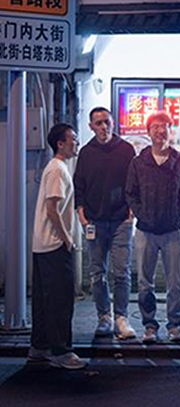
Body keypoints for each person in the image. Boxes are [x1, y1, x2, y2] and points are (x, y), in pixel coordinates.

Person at [126, 111, 180, 343]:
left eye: (164, 126)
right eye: (155, 127)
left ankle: (174, 325)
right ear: (148, 132)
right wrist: (141, 213)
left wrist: (179, 213)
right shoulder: (139, 162)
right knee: (144, 282)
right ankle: (149, 326)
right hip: (145, 230)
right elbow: (131, 193)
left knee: (175, 282)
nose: (159, 131)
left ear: (170, 130)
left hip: (173, 230)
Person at [74, 107, 136, 339]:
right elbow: (78, 184)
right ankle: (104, 317)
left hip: (121, 220)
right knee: (97, 273)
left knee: (122, 272)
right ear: (91, 126)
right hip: (94, 220)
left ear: (113, 123)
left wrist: (131, 211)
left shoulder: (126, 149)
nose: (103, 127)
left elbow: (133, 183)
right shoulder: (86, 152)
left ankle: (121, 317)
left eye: (106, 122)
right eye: (98, 123)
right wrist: (80, 212)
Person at [29, 123, 86, 370]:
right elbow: (53, 208)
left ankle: (39, 347)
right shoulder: (57, 170)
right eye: (73, 138)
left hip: (42, 244)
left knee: (43, 300)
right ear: (60, 143)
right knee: (60, 300)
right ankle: (61, 351)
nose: (77, 142)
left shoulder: (56, 168)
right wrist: (67, 238)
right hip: (54, 245)